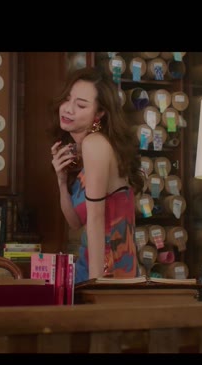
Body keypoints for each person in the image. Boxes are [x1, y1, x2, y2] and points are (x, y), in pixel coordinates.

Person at [50, 67, 143, 283]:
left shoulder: (95, 144)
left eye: (81, 105)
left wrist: (96, 285)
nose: (68, 109)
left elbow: (96, 217)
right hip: (92, 266)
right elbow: (75, 222)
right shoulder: (88, 149)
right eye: (67, 99)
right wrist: (61, 181)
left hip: (109, 272)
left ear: (99, 113)